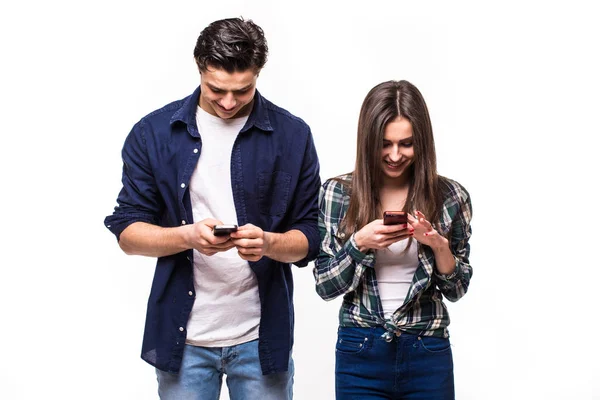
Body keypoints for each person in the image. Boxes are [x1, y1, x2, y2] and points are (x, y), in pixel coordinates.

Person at [104, 17, 320, 400]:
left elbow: (310, 236)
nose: (228, 102)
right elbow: (128, 233)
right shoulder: (152, 134)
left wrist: (269, 243)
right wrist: (188, 236)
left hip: (261, 337)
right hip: (183, 339)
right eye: (216, 89)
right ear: (199, 67)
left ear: (258, 74)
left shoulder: (293, 135)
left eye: (244, 90)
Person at [314, 80, 473, 399]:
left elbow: (456, 289)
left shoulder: (451, 197)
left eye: (406, 144)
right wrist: (359, 244)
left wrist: (438, 245)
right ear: (368, 140)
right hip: (360, 351)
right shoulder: (338, 194)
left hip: (427, 349)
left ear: (422, 143)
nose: (395, 155)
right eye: (385, 144)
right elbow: (324, 286)